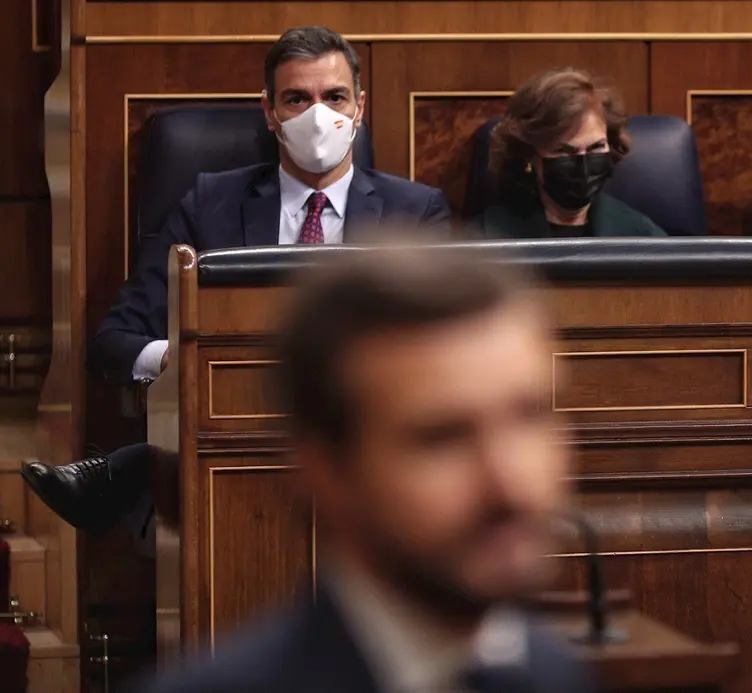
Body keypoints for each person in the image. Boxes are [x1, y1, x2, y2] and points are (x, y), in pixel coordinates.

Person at [25, 26, 451, 532]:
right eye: (297, 99)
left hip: (368, 441)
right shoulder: (211, 204)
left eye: (334, 97)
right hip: (231, 439)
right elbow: (115, 342)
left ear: (359, 108)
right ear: (270, 112)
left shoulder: (417, 212)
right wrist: (184, 356)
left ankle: (130, 469)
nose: (320, 115)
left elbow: (441, 350)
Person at [132, 241, 591, 693]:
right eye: (441, 438)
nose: (510, 482)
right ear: (323, 470)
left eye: (530, 416)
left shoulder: (554, 672)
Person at [475, 67, 666, 238]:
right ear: (529, 154)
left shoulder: (641, 234)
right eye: (563, 151)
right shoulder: (488, 236)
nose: (582, 165)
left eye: (596, 147)